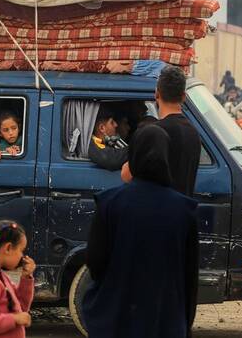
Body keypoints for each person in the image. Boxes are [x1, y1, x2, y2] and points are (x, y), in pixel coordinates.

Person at [83, 125, 198, 338]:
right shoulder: (184, 210)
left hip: (116, 316)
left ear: (133, 154)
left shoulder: (110, 202)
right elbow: (189, 274)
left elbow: (95, 262)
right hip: (164, 319)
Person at [153, 65, 201, 197]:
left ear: (157, 94)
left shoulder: (154, 132)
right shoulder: (193, 132)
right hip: (183, 208)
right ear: (184, 96)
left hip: (159, 208)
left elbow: (126, 175)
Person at [88, 107, 128, 172]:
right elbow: (112, 159)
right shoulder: (91, 144)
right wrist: (136, 149)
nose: (116, 125)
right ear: (102, 128)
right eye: (112, 122)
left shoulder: (106, 142)